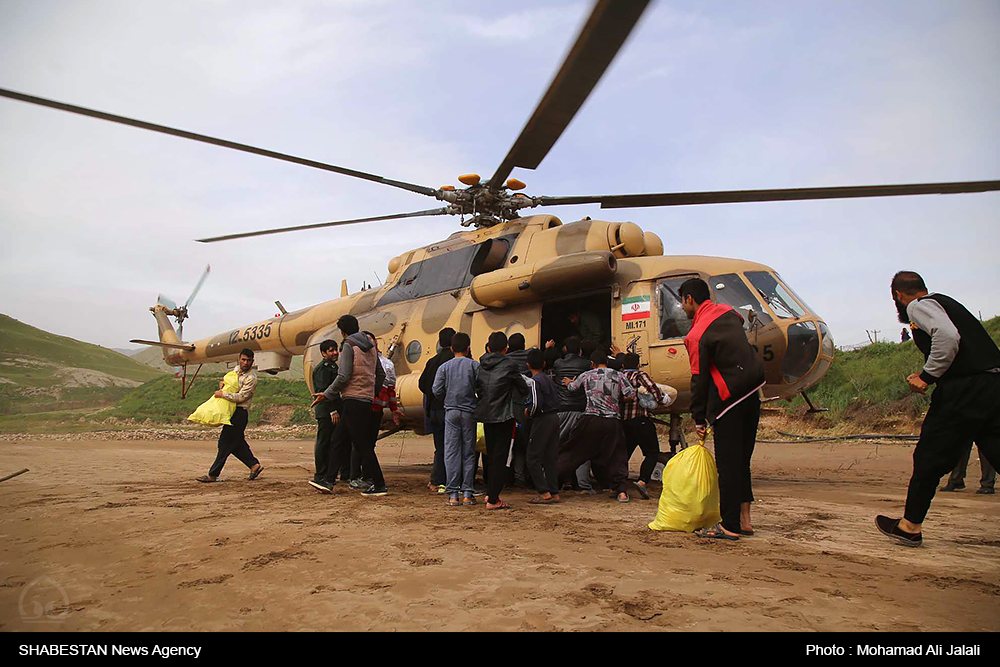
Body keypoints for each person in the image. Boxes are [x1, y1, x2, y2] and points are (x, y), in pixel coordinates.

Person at [876, 271, 1000, 546]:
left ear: (898, 295)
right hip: (993, 383)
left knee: (929, 457)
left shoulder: (919, 306)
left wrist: (926, 376)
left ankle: (909, 526)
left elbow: (947, 338)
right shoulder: (946, 303)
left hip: (963, 391)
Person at [679, 278, 765, 540]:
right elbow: (738, 323)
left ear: (689, 300)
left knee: (727, 464)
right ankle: (744, 520)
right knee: (742, 461)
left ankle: (728, 525)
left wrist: (699, 418)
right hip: (753, 390)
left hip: (729, 399)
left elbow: (699, 379)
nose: (683, 308)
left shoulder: (696, 336)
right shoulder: (729, 312)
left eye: (682, 303)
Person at [310, 315, 387, 496]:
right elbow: (380, 374)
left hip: (352, 399)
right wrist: (371, 391)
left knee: (362, 445)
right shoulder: (371, 345)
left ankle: (379, 484)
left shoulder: (348, 345)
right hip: (365, 400)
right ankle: (328, 481)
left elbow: (343, 376)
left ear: (343, 332)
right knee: (338, 439)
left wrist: (326, 394)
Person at [560, 350, 636, 503]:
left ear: (592, 364)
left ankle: (551, 484)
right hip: (612, 421)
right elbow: (631, 394)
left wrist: (568, 382)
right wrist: (616, 399)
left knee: (573, 451)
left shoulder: (587, 375)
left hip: (591, 419)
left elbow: (573, 388)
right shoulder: (619, 375)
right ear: (607, 363)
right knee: (616, 456)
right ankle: (621, 492)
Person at [475, 331, 529, 510]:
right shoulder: (510, 365)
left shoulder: (481, 364)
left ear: (489, 347)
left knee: (491, 455)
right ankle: (493, 499)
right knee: (501, 457)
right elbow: (523, 387)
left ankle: (491, 492)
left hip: (486, 414)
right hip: (505, 415)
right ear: (506, 348)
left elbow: (478, 388)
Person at [197, 349, 264, 483]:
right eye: (243, 359)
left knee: (225, 444)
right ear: (239, 359)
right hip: (231, 412)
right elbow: (230, 384)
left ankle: (213, 474)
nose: (245, 363)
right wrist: (223, 386)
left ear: (252, 361)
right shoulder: (235, 373)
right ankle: (254, 465)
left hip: (239, 413)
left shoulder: (251, 378)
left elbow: (241, 397)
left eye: (249, 360)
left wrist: (223, 394)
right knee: (237, 443)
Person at [432, 332, 479, 506]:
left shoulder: (444, 367)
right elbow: (481, 387)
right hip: (469, 412)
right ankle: (467, 492)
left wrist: (447, 398)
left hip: (451, 411)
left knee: (451, 451)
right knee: (468, 452)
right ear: (468, 348)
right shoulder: (474, 366)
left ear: (451, 348)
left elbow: (436, 389)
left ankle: (453, 494)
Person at [619, 352, 664, 500]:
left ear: (623, 365)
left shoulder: (619, 376)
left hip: (624, 422)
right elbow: (653, 388)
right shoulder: (639, 375)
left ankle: (620, 485)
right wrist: (661, 401)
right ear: (638, 364)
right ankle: (642, 481)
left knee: (624, 453)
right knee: (652, 452)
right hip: (640, 420)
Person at [361, 332, 401, 486]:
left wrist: (394, 408)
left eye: (370, 340)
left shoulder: (387, 364)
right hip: (363, 406)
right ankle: (354, 474)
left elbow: (391, 388)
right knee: (360, 442)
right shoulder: (360, 361)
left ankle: (367, 475)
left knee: (369, 442)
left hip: (376, 408)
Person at [419, 328, 455, 493]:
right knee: (453, 447)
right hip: (449, 410)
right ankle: (448, 481)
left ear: (440, 343)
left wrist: (433, 397)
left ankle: (435, 481)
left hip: (433, 411)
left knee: (440, 446)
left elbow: (421, 384)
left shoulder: (432, 361)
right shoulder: (456, 361)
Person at [525, 348, 561, 504]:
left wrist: (529, 412)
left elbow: (535, 403)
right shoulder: (549, 379)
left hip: (542, 419)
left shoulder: (535, 381)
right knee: (550, 458)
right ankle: (554, 491)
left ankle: (543, 492)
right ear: (544, 364)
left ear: (527, 365)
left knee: (532, 457)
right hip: (554, 417)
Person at [311, 340, 341, 486]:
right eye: (331, 350)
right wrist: (332, 410)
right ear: (323, 354)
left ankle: (329, 472)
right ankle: (320, 474)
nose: (335, 353)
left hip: (332, 410)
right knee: (323, 442)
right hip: (326, 412)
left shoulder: (333, 366)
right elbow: (323, 391)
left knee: (331, 442)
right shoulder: (323, 369)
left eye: (336, 349)